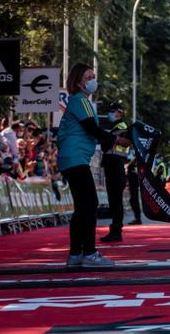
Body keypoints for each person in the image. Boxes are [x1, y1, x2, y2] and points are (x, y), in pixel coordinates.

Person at [59, 63, 129, 268]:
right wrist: (116, 140)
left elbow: (92, 131)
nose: (92, 80)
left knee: (83, 206)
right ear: (79, 81)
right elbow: (91, 128)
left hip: (74, 158)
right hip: (74, 158)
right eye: (88, 77)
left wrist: (111, 139)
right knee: (89, 204)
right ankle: (88, 252)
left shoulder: (82, 102)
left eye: (93, 76)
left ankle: (75, 254)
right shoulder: (79, 100)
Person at [100, 105, 132, 243]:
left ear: (120, 113)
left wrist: (108, 138)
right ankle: (114, 231)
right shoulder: (114, 127)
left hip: (116, 164)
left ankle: (116, 231)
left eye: (112, 112)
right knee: (113, 201)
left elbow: (119, 143)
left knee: (116, 201)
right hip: (112, 164)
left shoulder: (122, 126)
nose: (110, 114)